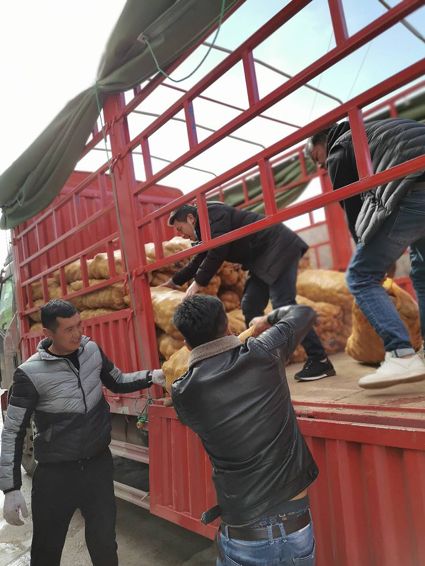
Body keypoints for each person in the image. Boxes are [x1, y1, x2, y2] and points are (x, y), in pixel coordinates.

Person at [0, 299, 165, 566]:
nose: (78, 334)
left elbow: (117, 380)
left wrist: (152, 376)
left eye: (79, 325)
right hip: (56, 475)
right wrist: (10, 488)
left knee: (105, 544)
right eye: (69, 329)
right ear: (48, 333)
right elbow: (12, 431)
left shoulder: (91, 351)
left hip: (97, 467)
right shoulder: (29, 374)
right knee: (46, 550)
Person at [171, 295, 318, 566]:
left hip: (244, 533)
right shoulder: (263, 351)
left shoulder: (183, 392)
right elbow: (304, 313)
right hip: (296, 525)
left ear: (186, 343)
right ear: (227, 326)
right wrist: (266, 319)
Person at [306, 117, 425, 389]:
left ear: (323, 142)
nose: (320, 165)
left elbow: (354, 210)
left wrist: (370, 253)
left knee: (360, 276)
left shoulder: (339, 148)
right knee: (421, 272)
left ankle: (401, 354)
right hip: (418, 181)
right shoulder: (374, 130)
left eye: (316, 157)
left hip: (413, 191)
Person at [165, 201, 335, 381]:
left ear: (190, 218)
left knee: (283, 304)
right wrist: (174, 282)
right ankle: (262, 361)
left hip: (277, 247)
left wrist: (197, 283)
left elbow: (218, 250)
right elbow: (200, 257)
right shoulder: (205, 229)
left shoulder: (211, 213)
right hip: (262, 259)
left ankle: (319, 359)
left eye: (180, 228)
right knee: (250, 305)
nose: (181, 234)